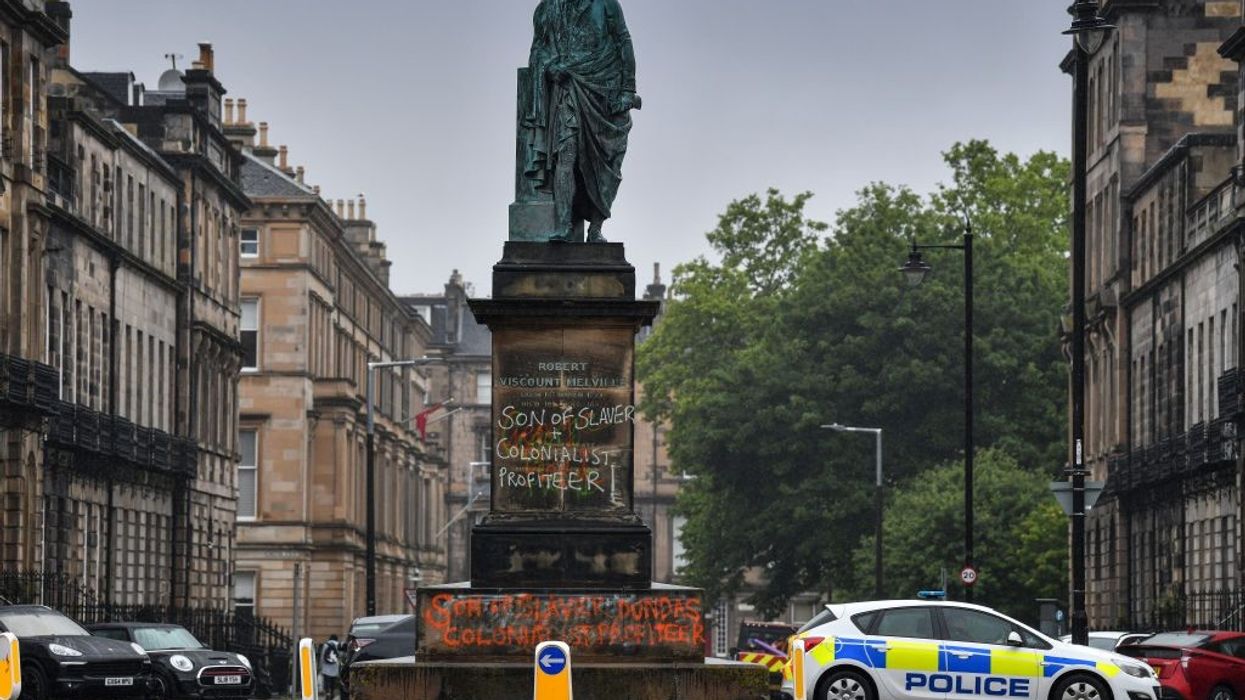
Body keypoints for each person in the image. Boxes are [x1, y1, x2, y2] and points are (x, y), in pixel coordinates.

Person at [522, 0, 641, 243]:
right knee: (565, 154)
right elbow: (539, 49)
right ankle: (565, 225)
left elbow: (623, 41)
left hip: (605, 92)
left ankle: (595, 229)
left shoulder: (606, 4)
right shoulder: (548, 8)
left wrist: (628, 90)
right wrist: (548, 67)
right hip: (569, 89)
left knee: (607, 163)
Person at [319, 634, 340, 699]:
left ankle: (328, 693)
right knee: (333, 681)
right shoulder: (338, 645)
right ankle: (332, 692)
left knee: (327, 681)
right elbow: (340, 655)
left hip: (326, 667)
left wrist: (320, 666)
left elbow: (322, 656)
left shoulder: (326, 645)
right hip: (335, 666)